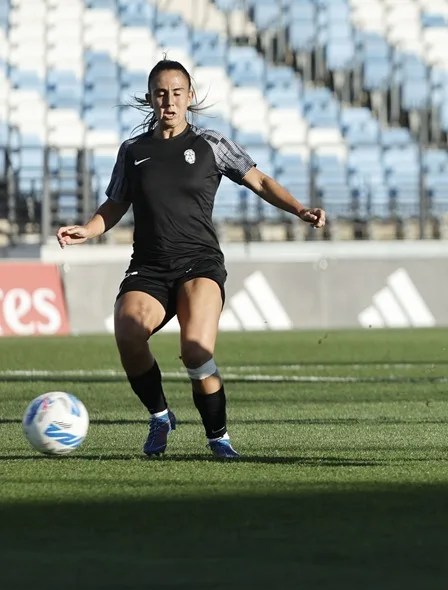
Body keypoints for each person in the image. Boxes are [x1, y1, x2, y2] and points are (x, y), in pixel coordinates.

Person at [56, 59, 326, 458]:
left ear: (190, 96)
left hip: (199, 263)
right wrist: (87, 229)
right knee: (128, 335)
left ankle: (218, 437)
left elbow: (261, 180)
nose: (169, 100)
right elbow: (114, 204)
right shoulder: (133, 151)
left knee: (196, 350)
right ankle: (160, 416)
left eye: (177, 93)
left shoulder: (212, 145)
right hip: (149, 266)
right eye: (161, 93)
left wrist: (299, 209)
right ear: (150, 98)